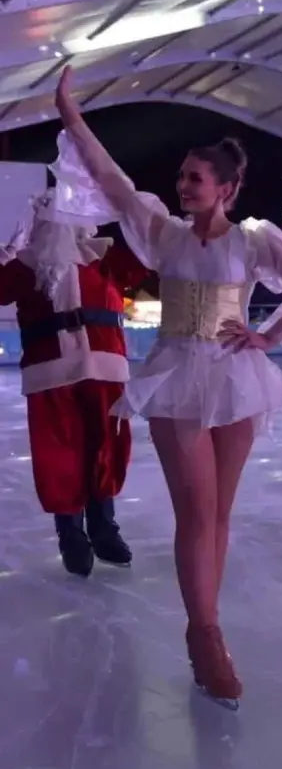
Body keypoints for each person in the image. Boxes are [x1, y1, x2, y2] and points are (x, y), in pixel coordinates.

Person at [54, 66, 282, 710]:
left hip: (236, 379)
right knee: (196, 513)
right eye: (181, 176)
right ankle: (205, 635)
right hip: (177, 377)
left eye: (195, 178)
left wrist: (267, 336)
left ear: (228, 189)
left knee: (221, 514)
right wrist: (72, 117)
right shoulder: (163, 233)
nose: (182, 186)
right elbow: (110, 180)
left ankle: (207, 623)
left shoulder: (252, 240)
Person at [0, 188, 148, 576]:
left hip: (105, 372)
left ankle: (103, 527)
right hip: (50, 379)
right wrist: (5, 253)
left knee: (107, 447)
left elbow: (150, 251)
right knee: (59, 456)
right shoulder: (26, 265)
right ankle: (71, 535)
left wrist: (132, 206)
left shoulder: (106, 258)